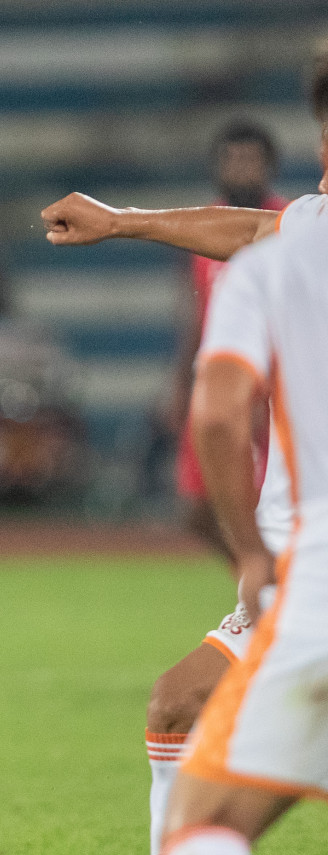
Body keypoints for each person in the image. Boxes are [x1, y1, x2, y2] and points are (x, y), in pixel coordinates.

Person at [41, 50, 328, 855]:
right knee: (178, 704)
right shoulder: (297, 233)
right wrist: (123, 220)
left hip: (301, 572)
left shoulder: (286, 252)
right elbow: (246, 226)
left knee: (215, 821)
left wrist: (244, 543)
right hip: (302, 577)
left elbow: (216, 416)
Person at [171, 121, 287, 559]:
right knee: (197, 507)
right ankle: (257, 580)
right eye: (232, 160)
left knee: (274, 499)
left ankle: (275, 586)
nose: (241, 170)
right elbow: (194, 314)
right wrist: (179, 384)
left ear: (270, 167)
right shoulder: (204, 228)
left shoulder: (289, 225)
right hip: (219, 379)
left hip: (276, 384)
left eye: (250, 160)